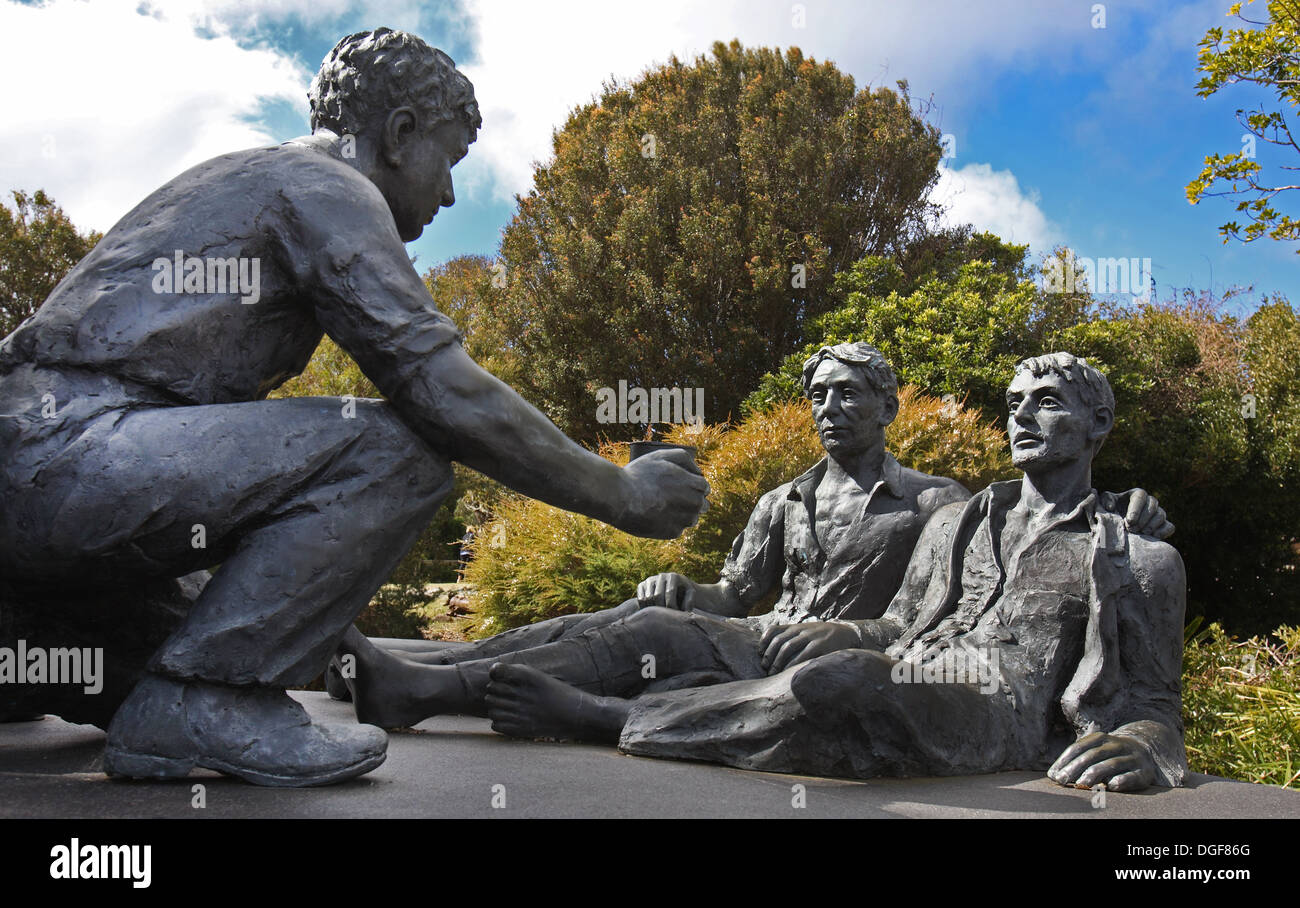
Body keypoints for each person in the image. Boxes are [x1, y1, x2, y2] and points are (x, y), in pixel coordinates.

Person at [0, 28, 707, 787]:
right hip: (65, 457)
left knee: (134, 666)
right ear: (400, 134)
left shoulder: (249, 176)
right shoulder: (328, 188)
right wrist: (625, 495)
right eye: (450, 159)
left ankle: (55, 665)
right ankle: (201, 703)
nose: (448, 194)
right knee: (399, 450)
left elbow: (264, 520)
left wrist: (369, 663)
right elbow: (443, 394)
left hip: (46, 485)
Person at [337, 346, 1172, 744]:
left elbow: (1147, 704)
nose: (1024, 416)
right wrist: (688, 588)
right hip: (794, 640)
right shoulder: (831, 505)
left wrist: (1139, 742)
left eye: (1050, 400)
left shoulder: (951, 505)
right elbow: (768, 599)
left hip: (939, 689)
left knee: (749, 661)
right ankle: (413, 676)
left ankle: (521, 703)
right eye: (818, 396)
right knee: (639, 620)